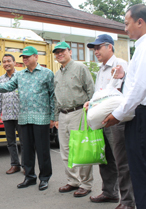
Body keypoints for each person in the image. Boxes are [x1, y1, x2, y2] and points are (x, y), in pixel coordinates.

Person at [103, 4, 146, 209]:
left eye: (127, 23)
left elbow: (141, 87)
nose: (125, 28)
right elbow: (138, 83)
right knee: (143, 171)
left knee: (144, 172)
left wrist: (118, 114)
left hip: (145, 114)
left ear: (140, 22)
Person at [0, 46, 54, 191]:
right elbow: (7, 87)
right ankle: (29, 177)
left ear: (36, 57)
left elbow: (52, 95)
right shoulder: (20, 75)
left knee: (42, 150)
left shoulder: (47, 73)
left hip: (41, 118)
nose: (25, 59)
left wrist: (53, 117)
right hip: (23, 118)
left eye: (27, 56)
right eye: (23, 57)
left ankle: (44, 178)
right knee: (27, 149)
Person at [85, 34, 135, 209]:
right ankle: (109, 192)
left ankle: (128, 201)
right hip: (102, 121)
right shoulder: (101, 70)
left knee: (122, 160)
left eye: (98, 47)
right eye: (94, 48)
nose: (95, 51)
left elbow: (126, 91)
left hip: (116, 119)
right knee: (105, 159)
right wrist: (90, 103)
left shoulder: (121, 65)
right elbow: (101, 94)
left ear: (110, 47)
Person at [53, 42, 94, 197]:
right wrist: (56, 116)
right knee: (65, 151)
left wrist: (91, 113)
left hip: (79, 112)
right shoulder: (57, 74)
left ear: (70, 51)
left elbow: (91, 90)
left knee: (81, 150)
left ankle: (86, 183)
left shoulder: (80, 68)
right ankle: (73, 181)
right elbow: (56, 97)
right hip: (63, 115)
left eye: (62, 51)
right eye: (56, 53)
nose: (59, 54)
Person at [0, 54, 24, 174]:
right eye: (4, 62)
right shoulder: (1, 79)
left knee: (24, 142)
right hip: (7, 115)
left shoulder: (21, 76)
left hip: (20, 114)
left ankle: (25, 165)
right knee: (10, 142)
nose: (6, 63)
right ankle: (15, 165)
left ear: (14, 62)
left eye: (9, 61)